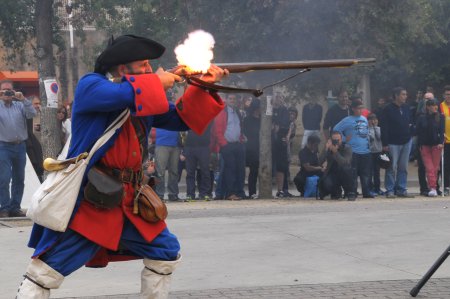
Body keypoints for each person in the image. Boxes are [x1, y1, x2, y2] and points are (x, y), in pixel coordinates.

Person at [16, 34, 228, 298]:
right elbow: (123, 94)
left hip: (130, 200)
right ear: (122, 68)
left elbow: (182, 119)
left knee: (165, 251)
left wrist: (205, 86)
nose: (149, 69)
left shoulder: (143, 99)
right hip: (93, 199)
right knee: (47, 271)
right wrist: (157, 82)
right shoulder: (91, 85)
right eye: (143, 65)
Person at [0, 80, 37, 218]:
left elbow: (32, 114)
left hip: (20, 146)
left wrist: (24, 99)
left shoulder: (20, 105)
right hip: (3, 146)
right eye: (3, 90)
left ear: (14, 91)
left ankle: (15, 207)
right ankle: (4, 207)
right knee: (4, 178)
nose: (7, 93)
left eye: (9, 90)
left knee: (19, 179)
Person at [334, 97, 374, 199]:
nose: (361, 110)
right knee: (353, 173)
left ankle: (366, 191)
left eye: (362, 108)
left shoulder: (364, 119)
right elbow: (336, 130)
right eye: (358, 108)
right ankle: (352, 191)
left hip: (365, 151)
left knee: (366, 173)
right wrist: (343, 139)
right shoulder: (347, 120)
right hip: (353, 151)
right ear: (353, 109)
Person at [380, 87, 414, 198]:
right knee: (391, 167)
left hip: (406, 141)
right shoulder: (387, 109)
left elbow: (410, 122)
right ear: (396, 95)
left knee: (403, 167)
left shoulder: (407, 107)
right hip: (392, 142)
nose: (405, 96)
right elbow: (384, 127)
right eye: (403, 94)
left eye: (405, 94)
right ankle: (390, 190)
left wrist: (410, 134)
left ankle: (401, 189)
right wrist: (385, 144)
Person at [211, 94, 246, 200]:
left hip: (237, 144)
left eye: (234, 98)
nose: (232, 100)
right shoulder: (222, 113)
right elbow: (218, 130)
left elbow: (239, 127)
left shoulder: (237, 112)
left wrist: (241, 139)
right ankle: (230, 193)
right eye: (230, 98)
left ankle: (239, 192)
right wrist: (224, 144)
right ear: (226, 100)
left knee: (239, 170)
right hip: (227, 145)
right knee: (229, 170)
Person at [416, 99, 445, 197]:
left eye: (436, 105)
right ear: (428, 107)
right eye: (432, 105)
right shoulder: (422, 117)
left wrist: (441, 142)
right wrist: (419, 144)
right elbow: (418, 131)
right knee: (429, 167)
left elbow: (442, 131)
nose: (435, 107)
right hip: (424, 145)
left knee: (435, 168)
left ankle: (434, 187)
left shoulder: (441, 117)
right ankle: (432, 187)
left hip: (436, 145)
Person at [318, 131, 355, 200]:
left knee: (346, 169)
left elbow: (344, 163)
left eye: (338, 140)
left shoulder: (346, 148)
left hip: (344, 172)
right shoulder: (328, 147)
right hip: (332, 172)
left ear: (341, 139)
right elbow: (319, 162)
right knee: (327, 184)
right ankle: (336, 192)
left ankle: (350, 192)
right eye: (334, 140)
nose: (336, 142)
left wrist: (335, 152)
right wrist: (326, 150)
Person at [184, 125, 212, 201]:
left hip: (204, 146)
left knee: (205, 171)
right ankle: (190, 194)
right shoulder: (189, 116)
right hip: (190, 146)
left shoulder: (208, 116)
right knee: (190, 172)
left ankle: (205, 193)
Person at [154, 127, 182, 201]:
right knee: (160, 172)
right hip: (161, 143)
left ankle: (173, 194)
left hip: (176, 144)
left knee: (174, 171)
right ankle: (159, 195)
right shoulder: (158, 115)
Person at [272, 95, 291, 198]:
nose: (277, 99)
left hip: (280, 141)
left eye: (279, 97)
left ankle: (281, 190)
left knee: (281, 166)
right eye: (276, 97)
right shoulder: (269, 109)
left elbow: (285, 125)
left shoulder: (284, 110)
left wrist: (277, 126)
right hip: (269, 141)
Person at [243, 99, 261, 199]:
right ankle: (252, 192)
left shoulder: (263, 119)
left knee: (256, 171)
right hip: (250, 148)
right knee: (252, 171)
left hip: (260, 148)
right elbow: (246, 133)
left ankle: (254, 192)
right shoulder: (247, 120)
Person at [367, 113, 383, 195]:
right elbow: (372, 138)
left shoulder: (379, 128)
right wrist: (371, 128)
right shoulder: (367, 129)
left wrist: (375, 127)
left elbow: (379, 137)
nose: (373, 121)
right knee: (370, 171)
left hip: (378, 152)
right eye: (371, 120)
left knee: (377, 171)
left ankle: (377, 188)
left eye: (375, 119)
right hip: (370, 152)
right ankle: (370, 188)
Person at [440, 85, 450, 196]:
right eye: (447, 94)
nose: (449, 96)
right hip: (445, 141)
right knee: (446, 165)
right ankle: (446, 186)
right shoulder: (440, 107)